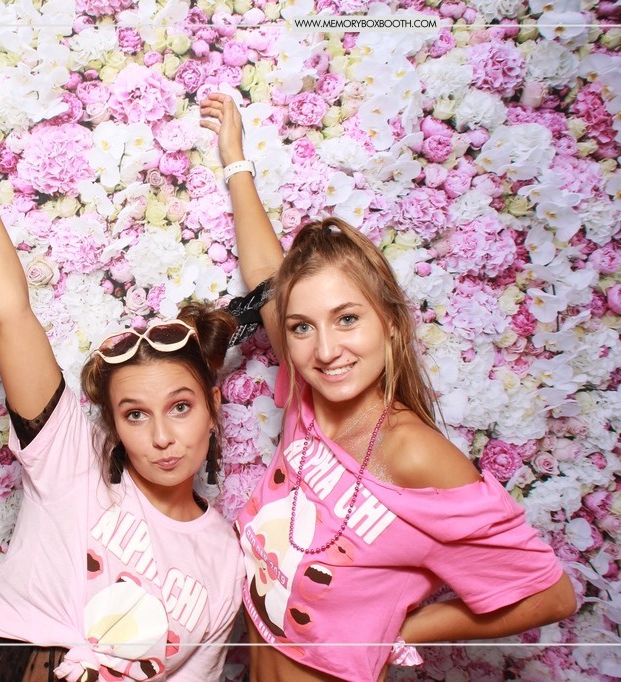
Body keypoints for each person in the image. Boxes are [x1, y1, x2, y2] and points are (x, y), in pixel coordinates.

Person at [0, 29, 243, 682]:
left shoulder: (227, 560)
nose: (162, 437)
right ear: (113, 423)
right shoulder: (72, 463)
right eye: (135, 414)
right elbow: (9, 310)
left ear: (213, 408)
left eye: (180, 407)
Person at [199, 92, 577, 682]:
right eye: (302, 327)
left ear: (390, 322)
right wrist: (235, 159)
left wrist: (399, 632)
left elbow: (550, 596)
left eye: (348, 319)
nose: (326, 350)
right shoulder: (308, 393)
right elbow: (268, 276)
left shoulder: (415, 454)